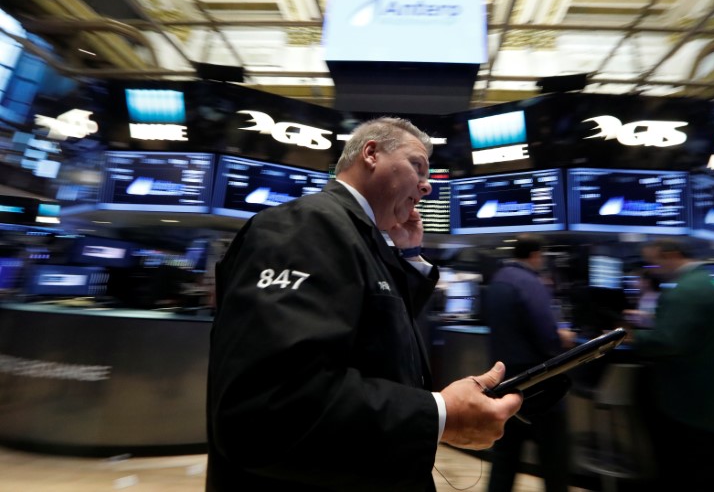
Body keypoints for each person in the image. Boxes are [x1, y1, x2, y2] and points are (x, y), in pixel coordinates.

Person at [206, 117, 524, 492]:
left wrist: (408, 257)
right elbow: (269, 410)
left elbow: (377, 346)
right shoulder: (308, 225)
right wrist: (441, 414)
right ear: (371, 153)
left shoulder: (358, 237)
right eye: (417, 166)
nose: (426, 186)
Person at [629, 238, 714, 492]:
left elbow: (667, 342)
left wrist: (634, 337)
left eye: (655, 262)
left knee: (694, 466)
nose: (654, 269)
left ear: (672, 254)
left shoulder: (683, 291)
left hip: (690, 397)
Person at [484, 234, 573, 492]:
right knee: (554, 456)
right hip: (539, 385)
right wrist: (561, 339)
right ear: (536, 255)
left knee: (505, 456)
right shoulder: (530, 282)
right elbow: (546, 335)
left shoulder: (498, 280)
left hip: (505, 383)